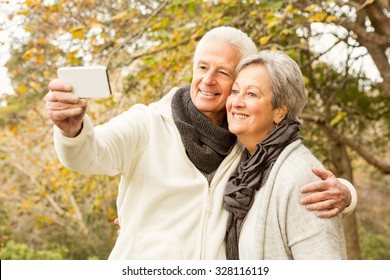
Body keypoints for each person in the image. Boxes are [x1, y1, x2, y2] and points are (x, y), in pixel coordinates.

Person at [45, 26, 356, 259]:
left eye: (223, 73)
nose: (208, 80)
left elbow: (288, 177)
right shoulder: (147, 123)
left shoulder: (245, 144)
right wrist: (73, 130)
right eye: (203, 67)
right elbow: (90, 154)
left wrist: (346, 192)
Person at [224, 50, 347, 260]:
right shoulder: (246, 166)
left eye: (251, 94)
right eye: (235, 91)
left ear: (279, 111)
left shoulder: (301, 178)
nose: (236, 102)